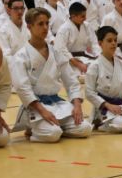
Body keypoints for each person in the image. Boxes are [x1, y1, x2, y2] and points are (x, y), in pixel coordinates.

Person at [10, 8, 92, 142]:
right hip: (35, 106)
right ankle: (33, 130)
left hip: (57, 103)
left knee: (85, 128)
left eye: (47, 23)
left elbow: (71, 81)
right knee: (53, 134)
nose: (45, 27)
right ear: (29, 27)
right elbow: (22, 88)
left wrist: (77, 105)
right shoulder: (21, 56)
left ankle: (57, 127)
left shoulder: (55, 52)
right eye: (40, 24)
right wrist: (42, 111)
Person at [54, 2, 98, 77]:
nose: (85, 18)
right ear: (73, 16)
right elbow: (60, 49)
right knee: (79, 74)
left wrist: (98, 56)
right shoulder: (64, 29)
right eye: (82, 16)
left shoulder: (86, 26)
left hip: (84, 57)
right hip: (69, 61)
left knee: (97, 68)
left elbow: (94, 43)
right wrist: (78, 64)